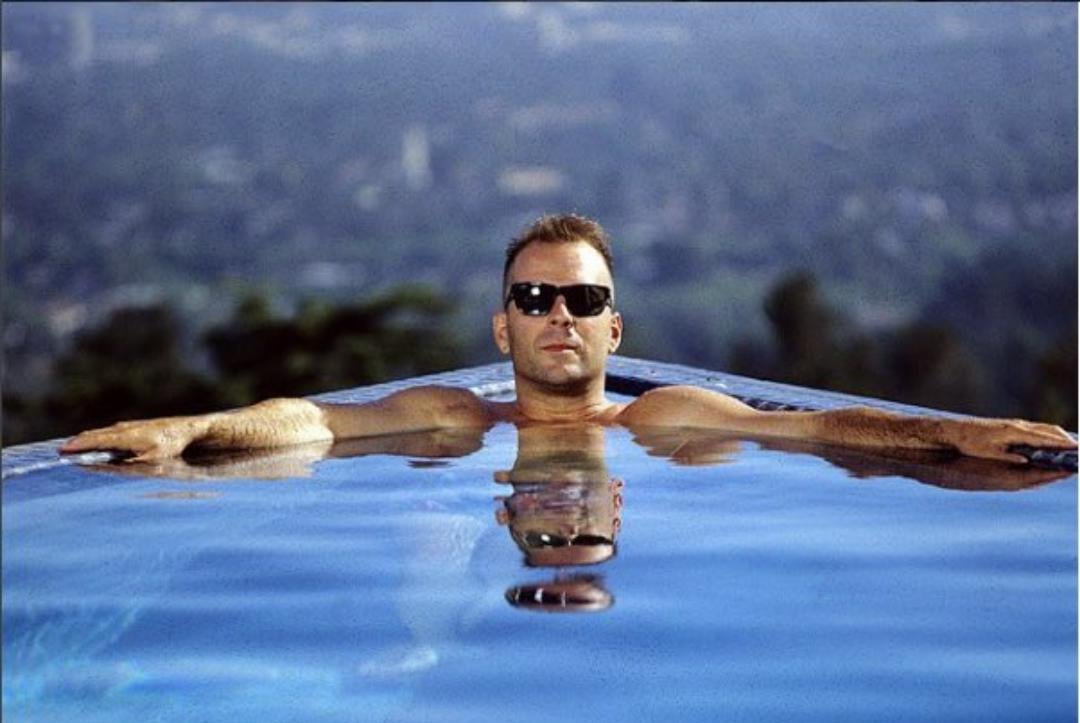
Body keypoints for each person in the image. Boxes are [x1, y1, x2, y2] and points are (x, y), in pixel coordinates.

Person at [60, 214, 1077, 465]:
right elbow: (314, 422)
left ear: (614, 328)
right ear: (501, 324)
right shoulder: (454, 418)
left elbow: (822, 430)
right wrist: (187, 430)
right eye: (536, 297)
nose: (560, 315)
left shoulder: (665, 419)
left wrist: (958, 434)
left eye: (583, 300)